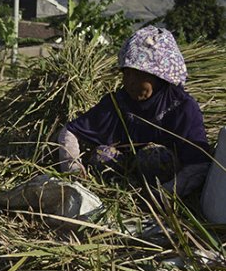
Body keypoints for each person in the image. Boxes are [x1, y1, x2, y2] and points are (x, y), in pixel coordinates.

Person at [57, 25, 211, 198]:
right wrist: (73, 168)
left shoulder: (181, 107)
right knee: (103, 155)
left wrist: (165, 194)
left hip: (164, 185)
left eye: (138, 75)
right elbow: (69, 132)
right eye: (126, 74)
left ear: (159, 75)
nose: (130, 82)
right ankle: (115, 196)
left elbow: (199, 164)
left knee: (153, 157)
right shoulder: (118, 103)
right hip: (123, 181)